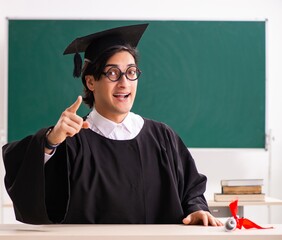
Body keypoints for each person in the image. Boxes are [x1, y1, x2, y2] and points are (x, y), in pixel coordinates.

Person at [2, 23, 222, 226]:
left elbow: (191, 190)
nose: (124, 82)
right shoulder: (70, 140)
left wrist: (197, 209)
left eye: (131, 72)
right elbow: (33, 196)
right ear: (90, 81)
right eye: (113, 73)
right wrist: (49, 142)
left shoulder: (163, 137)